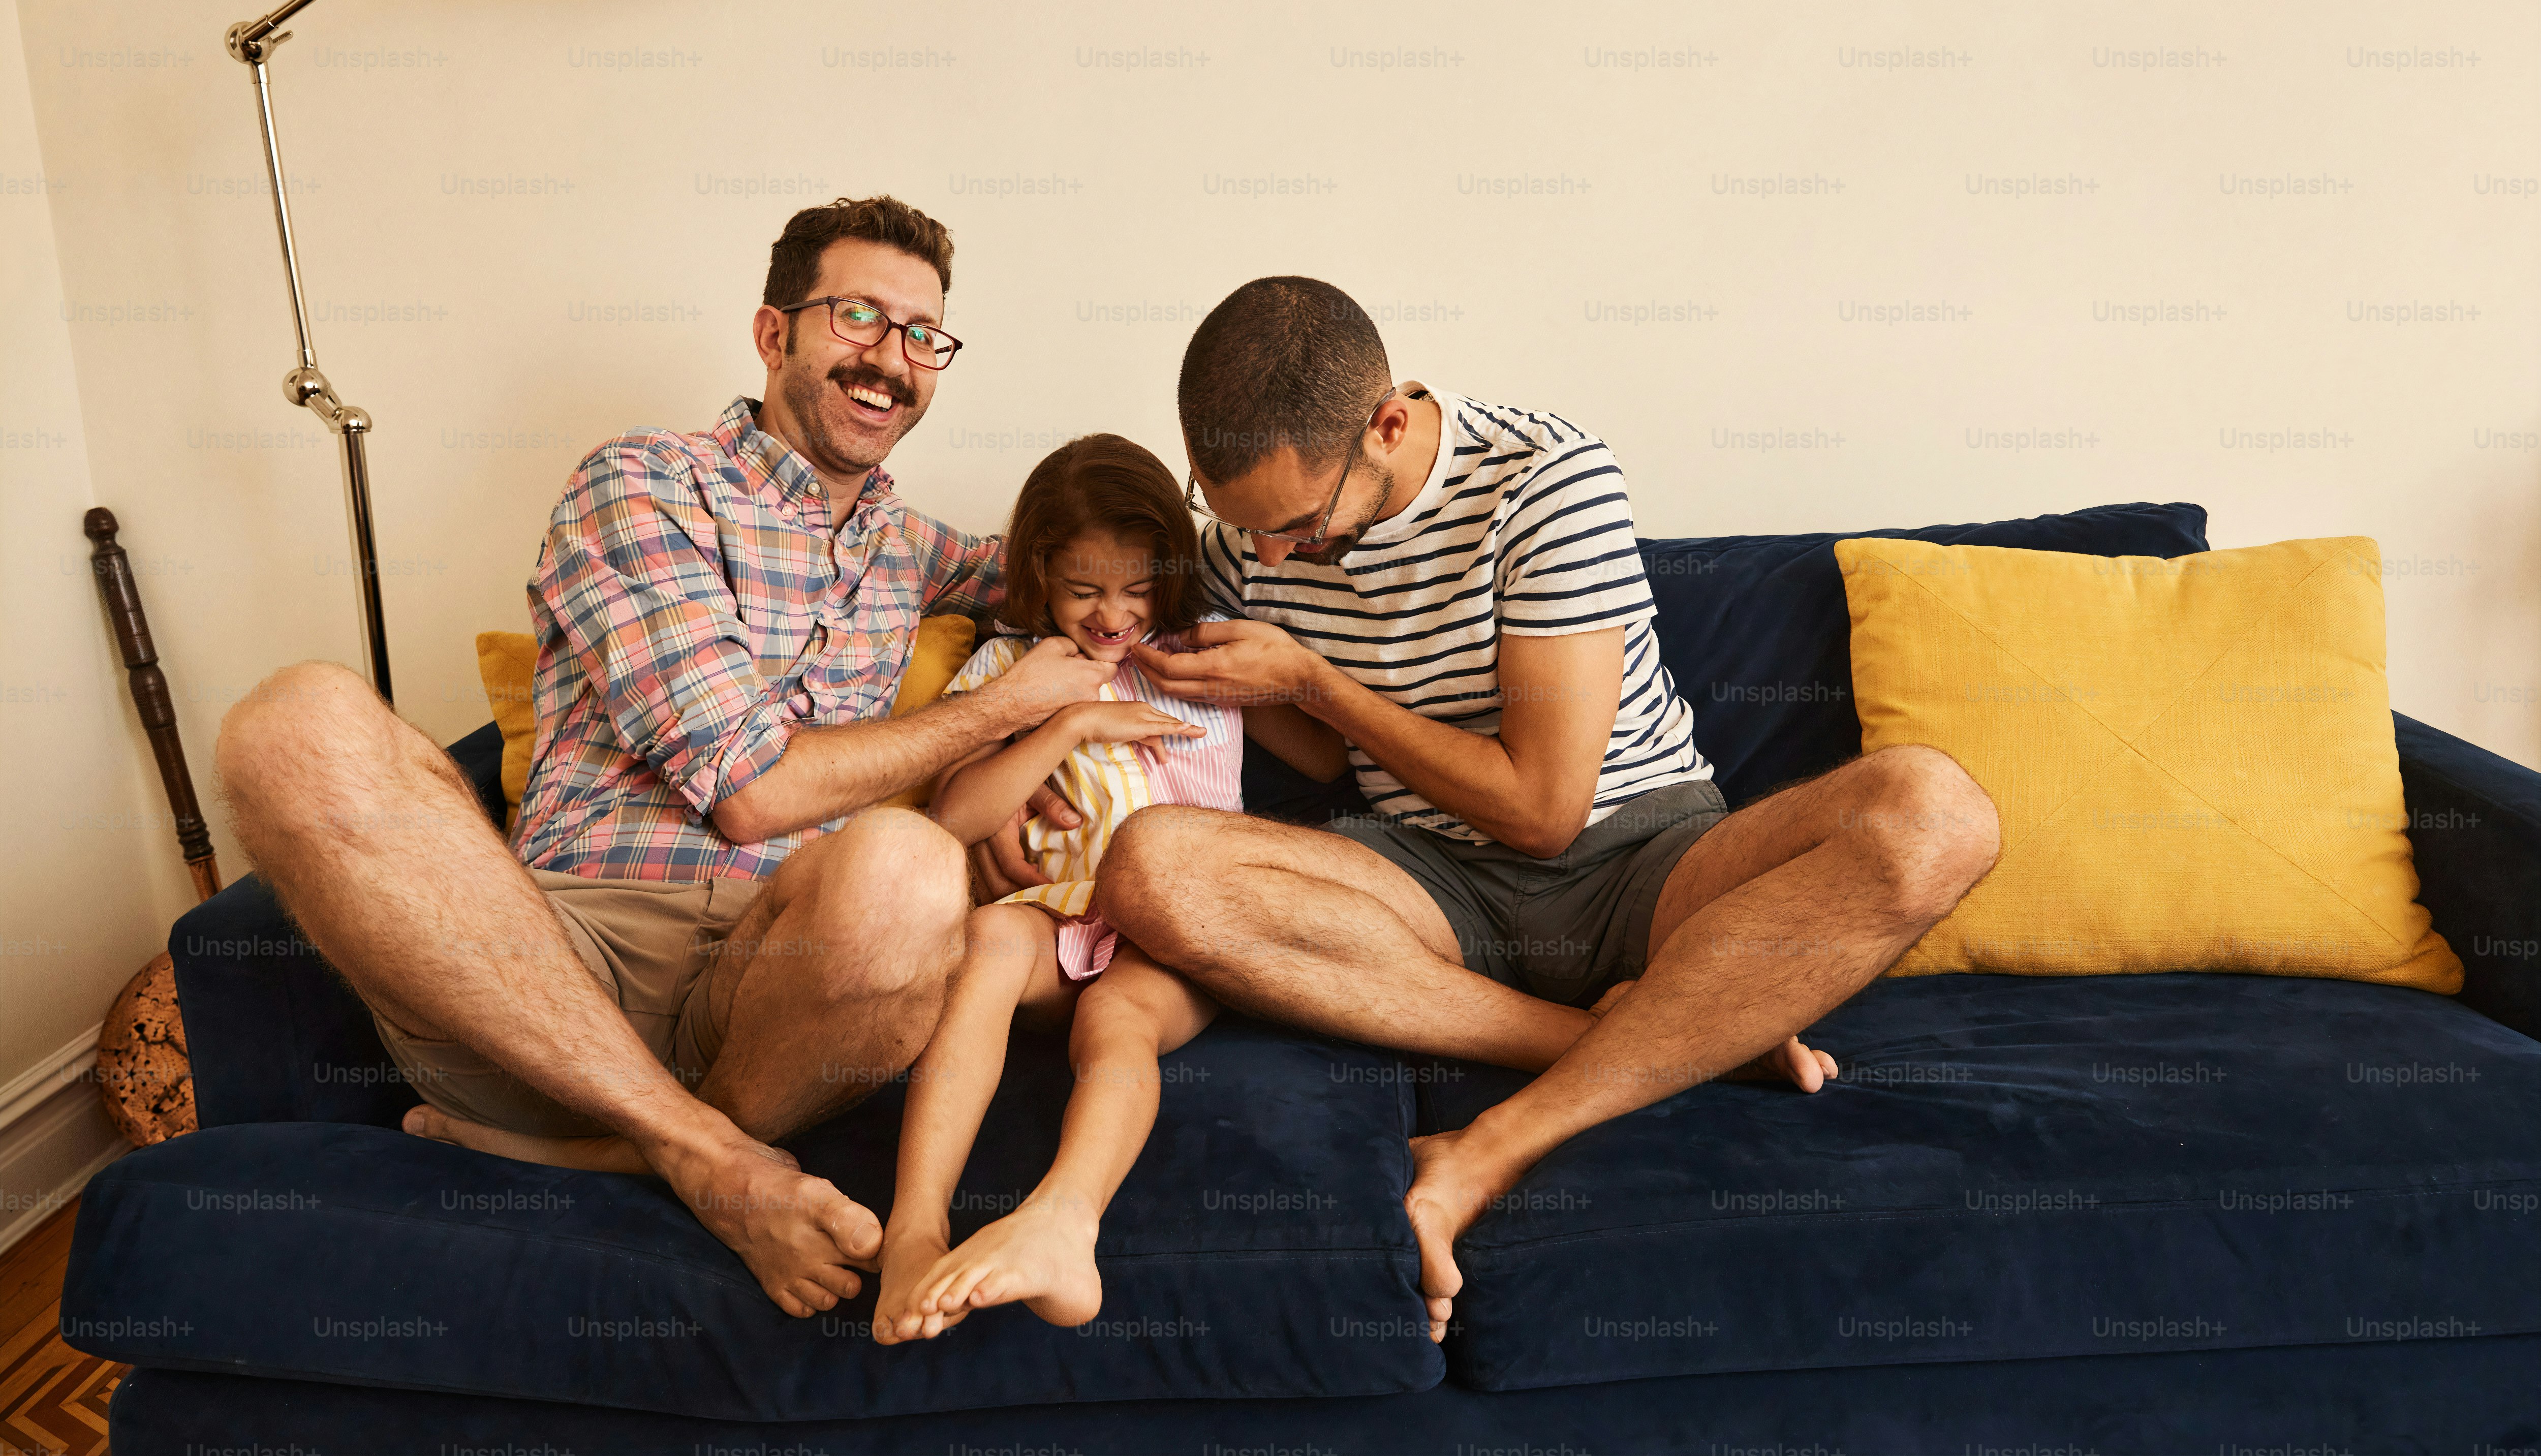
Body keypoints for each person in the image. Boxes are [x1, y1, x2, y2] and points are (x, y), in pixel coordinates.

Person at [212, 197, 1116, 1318]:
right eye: (858, 318)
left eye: (923, 334)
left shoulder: (913, 544)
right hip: (557, 962)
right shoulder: (645, 482)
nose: (893, 358)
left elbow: (1097, 568)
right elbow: (753, 792)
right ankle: (713, 1160)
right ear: (772, 332)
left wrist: (1258, 568)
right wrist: (1000, 712)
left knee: (913, 867)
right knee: (292, 721)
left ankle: (651, 1154)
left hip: (787, 1000)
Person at [1078, 276, 2002, 1342]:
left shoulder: (1545, 480)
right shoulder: (1252, 535)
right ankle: (1678, 1030)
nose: (1271, 556)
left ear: (1387, 422)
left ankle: (1492, 1143)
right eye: (1236, 523)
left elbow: (1543, 811)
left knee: (1936, 811)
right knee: (1150, 866)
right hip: (1425, 879)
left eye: (1299, 526)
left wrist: (1313, 679)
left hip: (1646, 859)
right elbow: (1326, 755)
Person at [872, 434, 1324, 1342]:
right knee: (989, 944)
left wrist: (1276, 666)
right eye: (1085, 591)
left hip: (1175, 933)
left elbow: (1322, 757)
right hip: (1050, 919)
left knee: (1117, 1023)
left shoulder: (1196, 667)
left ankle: (1064, 1221)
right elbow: (956, 816)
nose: (1114, 614)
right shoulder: (1010, 673)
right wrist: (1068, 717)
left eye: (1137, 587)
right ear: (1041, 575)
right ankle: (912, 1233)